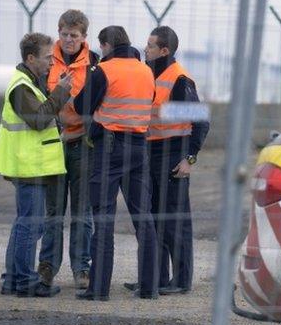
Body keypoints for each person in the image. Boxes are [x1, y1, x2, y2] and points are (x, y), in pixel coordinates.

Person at [73, 25, 159, 301]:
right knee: (144, 219)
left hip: (109, 149)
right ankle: (149, 287)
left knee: (104, 220)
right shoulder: (146, 70)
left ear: (106, 46)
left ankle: (98, 289)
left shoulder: (104, 70)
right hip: (139, 147)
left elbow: (81, 107)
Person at [123, 26, 208, 295]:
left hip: (173, 156)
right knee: (154, 219)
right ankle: (155, 278)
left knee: (175, 222)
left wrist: (189, 159)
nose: (145, 49)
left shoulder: (179, 79)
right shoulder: (148, 74)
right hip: (150, 154)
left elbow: (201, 122)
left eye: (150, 46)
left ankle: (181, 281)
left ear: (164, 50)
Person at [0, 32, 73, 297]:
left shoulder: (30, 83)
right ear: (30, 58)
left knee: (25, 223)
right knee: (31, 224)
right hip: (29, 166)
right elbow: (38, 120)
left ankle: (13, 279)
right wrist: (60, 93)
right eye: (48, 57)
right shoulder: (21, 87)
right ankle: (25, 281)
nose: (52, 62)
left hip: (31, 165)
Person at [37, 9, 99, 290]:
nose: (69, 39)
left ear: (84, 36)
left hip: (82, 144)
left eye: (74, 35)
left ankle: (81, 269)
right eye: (64, 34)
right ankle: (47, 267)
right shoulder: (48, 61)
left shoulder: (95, 64)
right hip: (54, 144)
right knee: (53, 211)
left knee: (82, 212)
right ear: (58, 32)